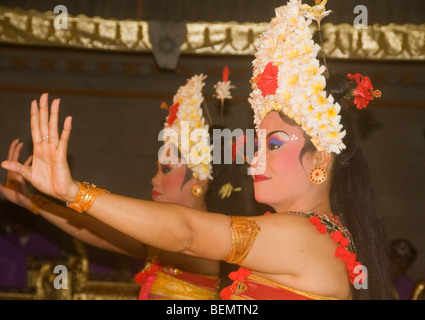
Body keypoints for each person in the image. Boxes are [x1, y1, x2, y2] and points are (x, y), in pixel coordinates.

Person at [2, 0, 393, 300]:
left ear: (321, 158)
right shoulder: (309, 233)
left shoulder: (303, 234)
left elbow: (187, 235)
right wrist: (38, 203)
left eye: (273, 145)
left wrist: (72, 192)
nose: (253, 160)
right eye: (257, 145)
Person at [0, 74, 251, 299]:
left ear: (200, 178)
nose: (154, 180)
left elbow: (184, 235)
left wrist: (72, 190)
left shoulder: (205, 234)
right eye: (156, 170)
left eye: (166, 170)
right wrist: (32, 201)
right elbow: (96, 232)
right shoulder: (160, 236)